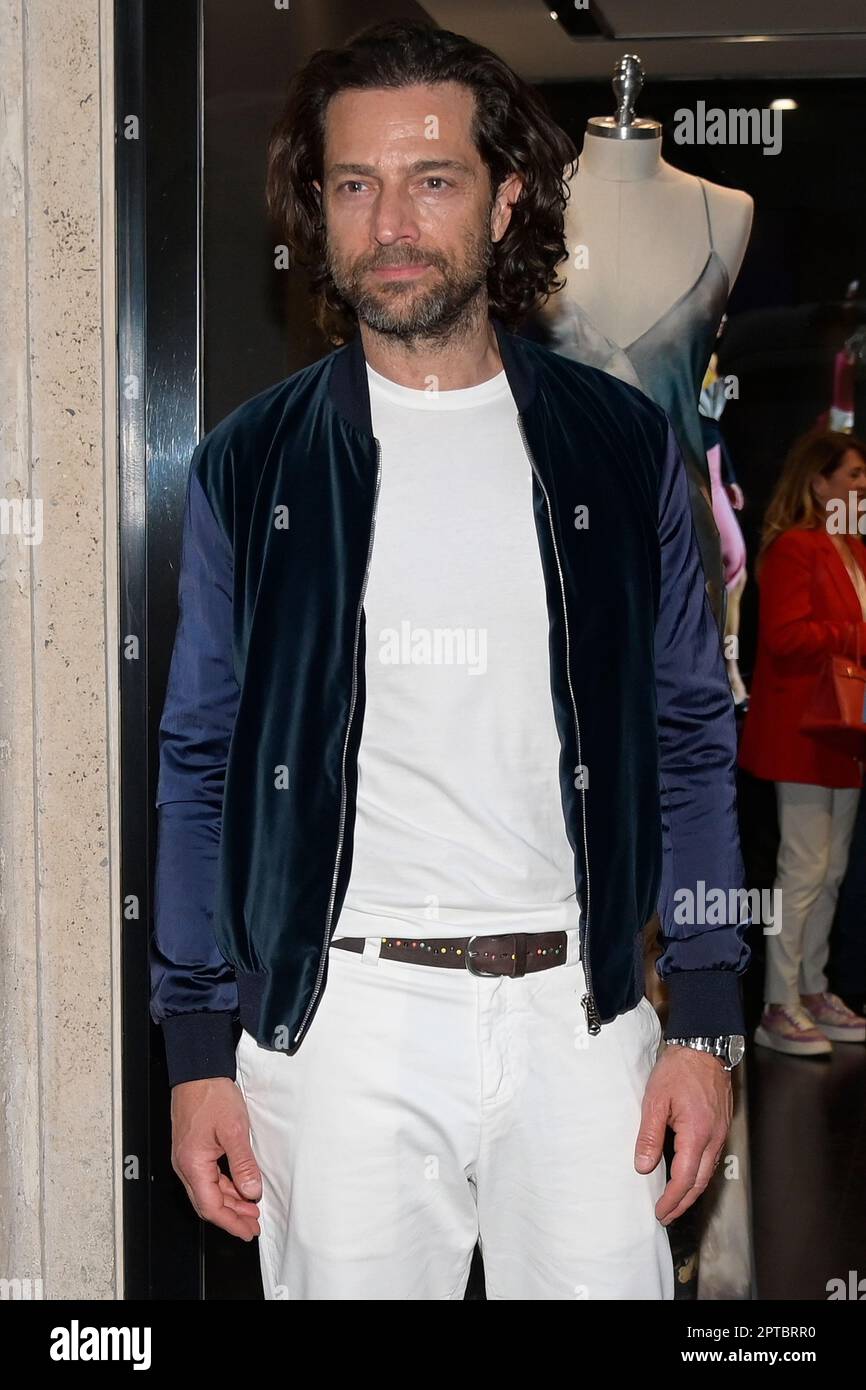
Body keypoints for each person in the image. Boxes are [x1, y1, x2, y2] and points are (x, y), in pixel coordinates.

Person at [150, 19, 750, 1300]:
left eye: (433, 179)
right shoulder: (253, 465)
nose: (392, 222)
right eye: (354, 185)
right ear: (319, 211)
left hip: (581, 1018)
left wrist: (703, 1011)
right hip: (342, 1024)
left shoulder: (614, 446)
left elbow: (691, 733)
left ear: (507, 195)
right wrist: (197, 1044)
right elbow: (199, 758)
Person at [739, 429, 866, 1055]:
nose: (862, 486)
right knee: (803, 870)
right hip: (804, 732)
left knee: (832, 870)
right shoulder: (794, 547)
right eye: (852, 475)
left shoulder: (852, 549)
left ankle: (813, 990)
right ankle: (778, 1004)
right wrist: (854, 632)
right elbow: (786, 638)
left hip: (846, 731)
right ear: (819, 482)